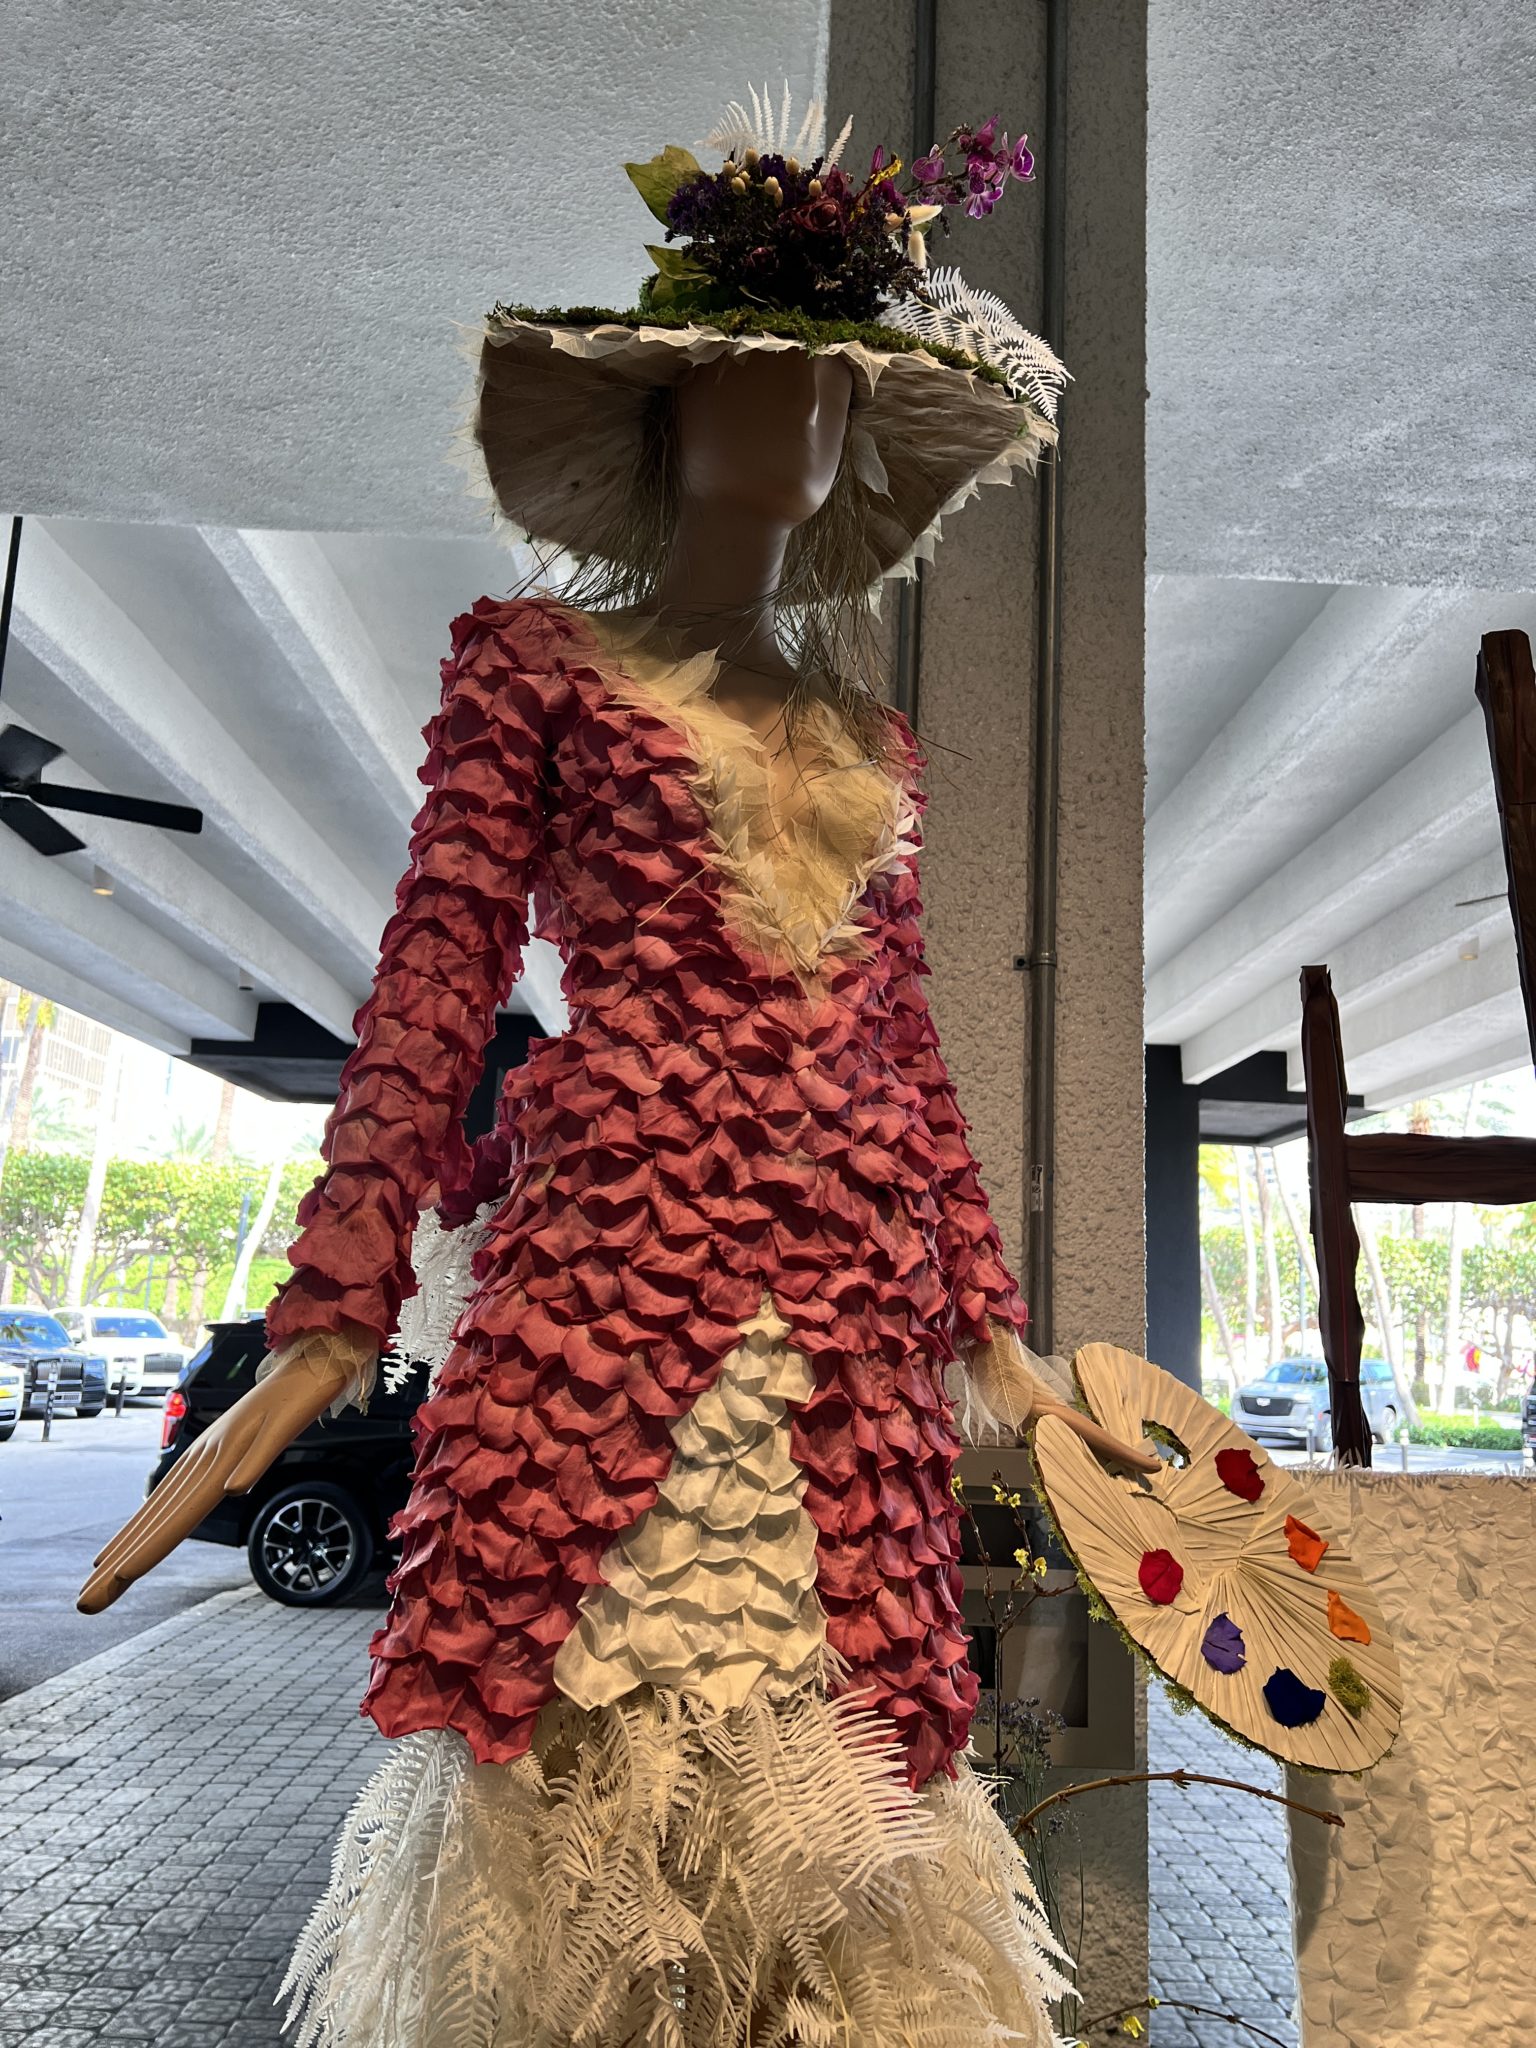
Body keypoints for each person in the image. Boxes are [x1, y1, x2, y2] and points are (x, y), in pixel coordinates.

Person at [80, 96, 1157, 2047]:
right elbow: (438, 982)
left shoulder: (870, 740)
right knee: (591, 1762)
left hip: (843, 1343)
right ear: (671, 408)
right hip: (609, 1301)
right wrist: (330, 1314)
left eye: (831, 385)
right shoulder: (536, 669)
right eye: (754, 370)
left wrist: (995, 1335)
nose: (798, 412)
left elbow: (903, 1049)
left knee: (846, 1807)